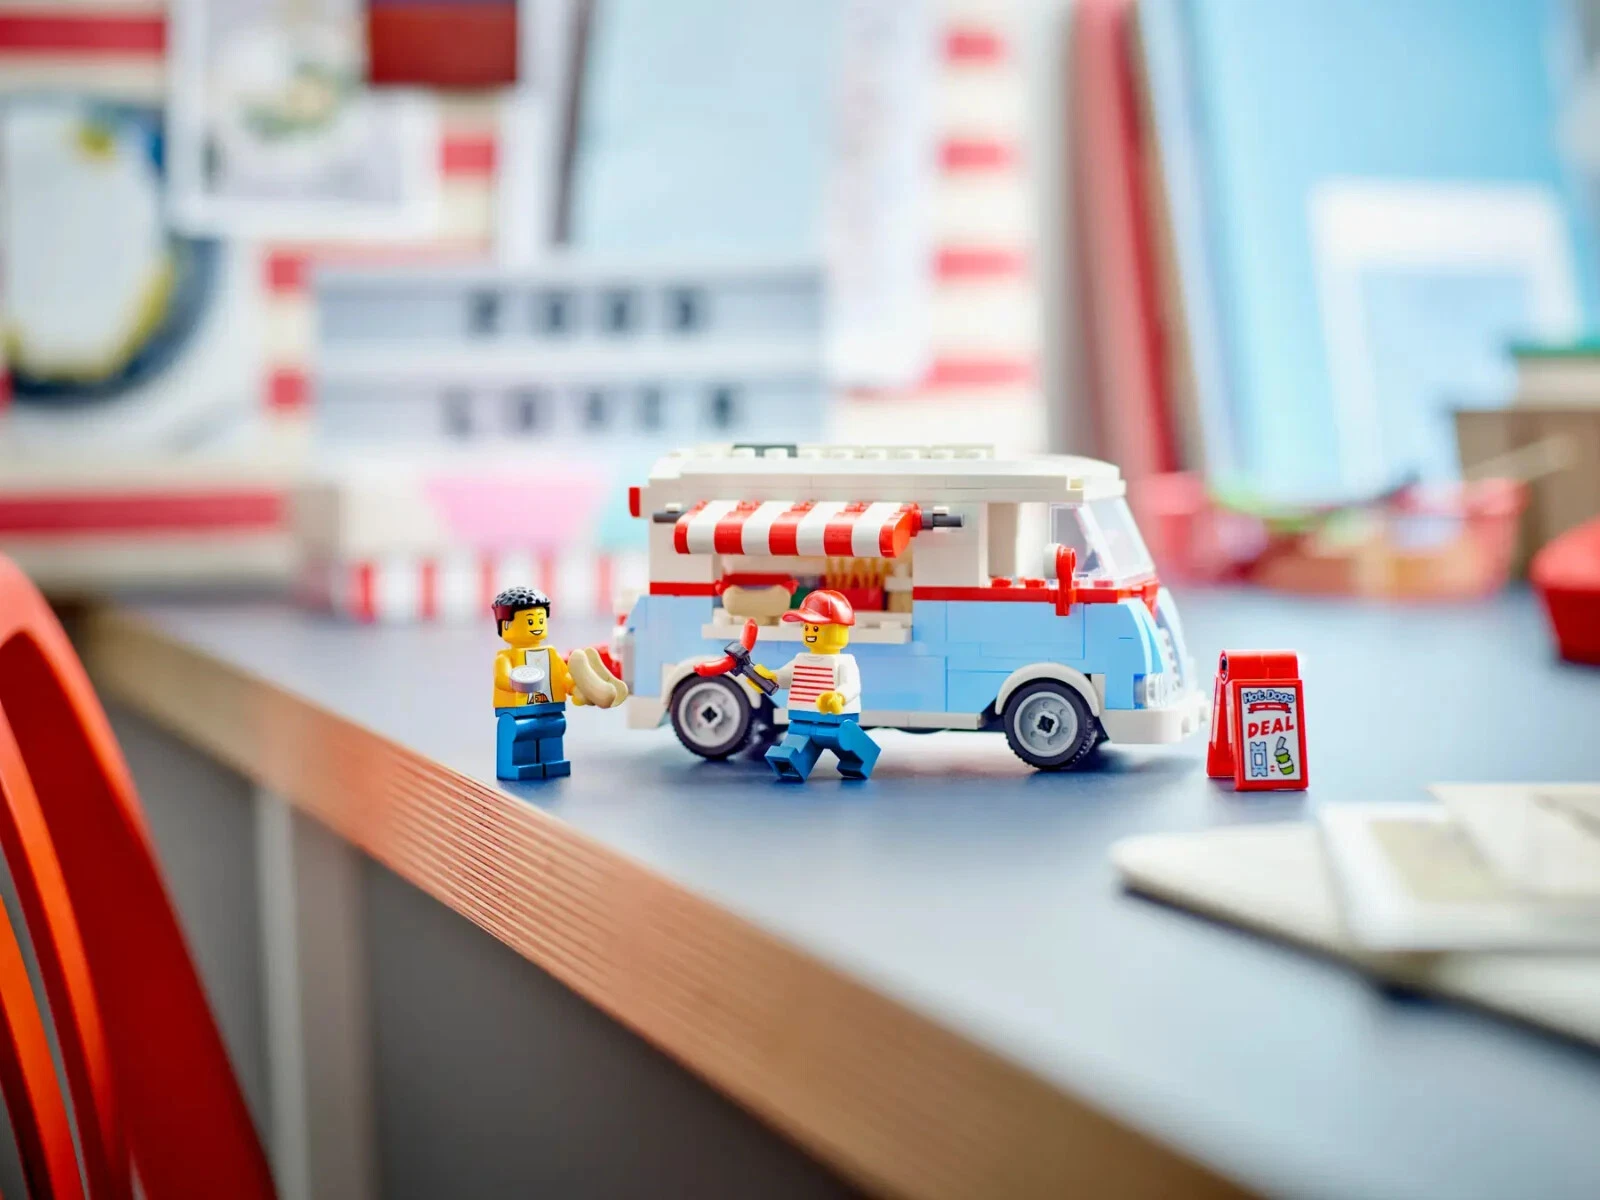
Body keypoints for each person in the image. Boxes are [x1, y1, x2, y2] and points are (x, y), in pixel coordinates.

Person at [754, 589, 881, 782]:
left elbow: (852, 686)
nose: (810, 633)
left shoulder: (844, 662)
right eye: (807, 627)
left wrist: (838, 697)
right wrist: (770, 677)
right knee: (794, 748)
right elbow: (785, 676)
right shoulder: (801, 659)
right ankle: (792, 765)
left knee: (845, 740)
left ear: (839, 630)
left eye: (816, 628)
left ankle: (862, 758)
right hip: (802, 719)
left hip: (836, 721)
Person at [491, 586, 578, 780]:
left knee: (553, 731)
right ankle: (517, 765)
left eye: (540, 620)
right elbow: (501, 679)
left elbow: (562, 675)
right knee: (518, 732)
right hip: (517, 711)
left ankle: (552, 762)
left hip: (550, 707)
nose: (536, 625)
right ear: (506, 625)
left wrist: (572, 686)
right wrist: (516, 683)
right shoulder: (505, 658)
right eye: (530, 621)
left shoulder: (551, 654)